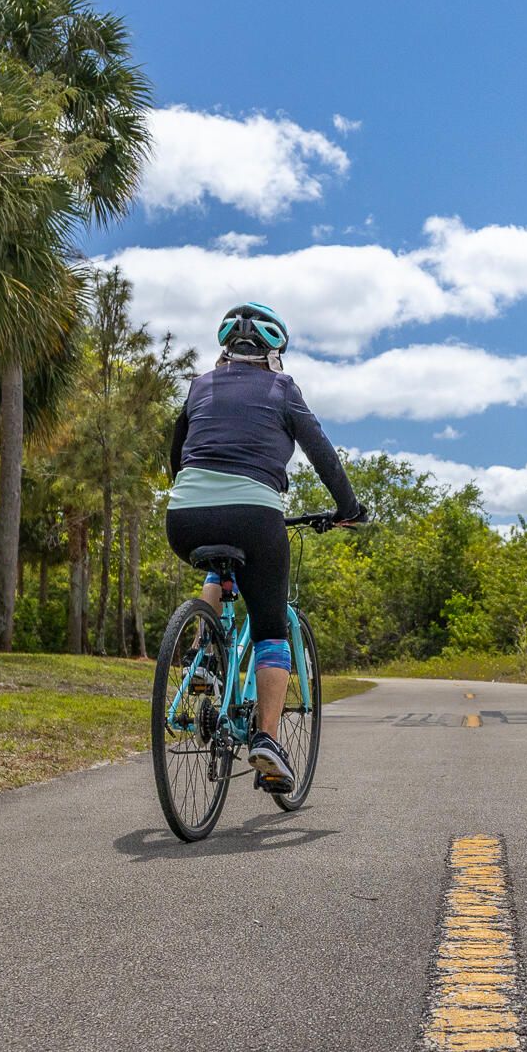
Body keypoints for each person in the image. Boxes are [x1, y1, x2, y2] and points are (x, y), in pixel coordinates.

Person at [166, 303, 365, 794]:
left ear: (226, 349)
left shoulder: (199, 386)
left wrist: (197, 495)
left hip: (184, 515)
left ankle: (202, 658)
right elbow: (321, 451)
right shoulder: (282, 388)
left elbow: (176, 452)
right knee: (271, 627)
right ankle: (267, 739)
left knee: (222, 562)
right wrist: (348, 507)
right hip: (255, 513)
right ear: (273, 353)